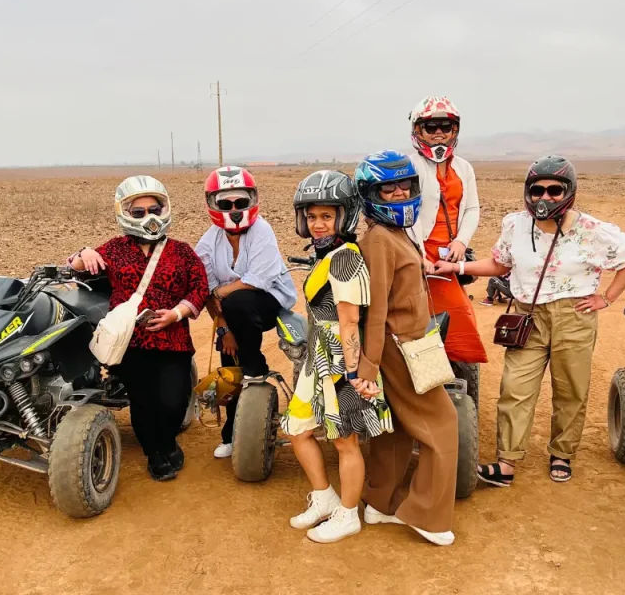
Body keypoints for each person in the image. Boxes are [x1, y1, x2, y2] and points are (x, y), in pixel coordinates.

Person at [435, 155, 625, 484]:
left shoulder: (590, 230)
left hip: (572, 317)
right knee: (515, 388)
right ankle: (507, 462)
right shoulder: (516, 225)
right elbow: (499, 266)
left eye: (554, 191)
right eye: (537, 190)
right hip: (527, 316)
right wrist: (457, 268)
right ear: (528, 192)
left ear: (569, 192)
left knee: (570, 390)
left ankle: (562, 454)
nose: (544, 198)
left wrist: (607, 297)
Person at [68, 175, 208, 481]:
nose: (150, 217)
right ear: (125, 214)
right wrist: (84, 253)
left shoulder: (182, 252)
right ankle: (155, 455)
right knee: (143, 403)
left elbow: (199, 289)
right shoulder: (115, 249)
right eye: (139, 212)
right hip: (130, 342)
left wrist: (175, 314)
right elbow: (73, 268)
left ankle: (168, 440)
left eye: (155, 209)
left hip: (174, 340)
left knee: (173, 401)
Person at [281, 170, 393, 544]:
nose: (317, 224)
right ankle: (325, 498)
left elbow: (349, 321)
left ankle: (348, 515)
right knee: (298, 428)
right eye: (311, 216)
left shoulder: (345, 258)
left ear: (343, 216)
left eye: (326, 216)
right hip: (317, 356)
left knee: (344, 440)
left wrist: (351, 372)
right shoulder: (326, 254)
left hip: (337, 359)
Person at [354, 150, 459, 547]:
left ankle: (380, 503)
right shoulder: (379, 239)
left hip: (413, 342)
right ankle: (428, 517)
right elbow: (376, 308)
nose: (399, 193)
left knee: (395, 429)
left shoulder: (398, 234)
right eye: (388, 187)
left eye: (405, 185)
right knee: (443, 425)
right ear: (371, 193)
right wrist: (368, 367)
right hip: (400, 346)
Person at [196, 166, 297, 460]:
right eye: (225, 204)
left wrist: (221, 292)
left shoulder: (262, 230)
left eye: (241, 202)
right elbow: (208, 294)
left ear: (251, 201)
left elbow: (258, 280)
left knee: (237, 300)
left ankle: (256, 364)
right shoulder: (207, 243)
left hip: (267, 302)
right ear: (213, 205)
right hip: (232, 314)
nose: (234, 209)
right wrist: (225, 332)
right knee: (229, 369)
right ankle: (231, 435)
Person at [406, 95, 487, 370]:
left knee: (457, 313)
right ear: (418, 131)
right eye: (431, 127)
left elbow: (472, 208)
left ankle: (455, 368)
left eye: (446, 126)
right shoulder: (409, 167)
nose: (439, 133)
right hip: (418, 249)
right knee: (414, 312)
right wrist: (417, 253)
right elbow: (406, 212)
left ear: (455, 131)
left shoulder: (464, 168)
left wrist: (462, 241)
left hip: (449, 254)